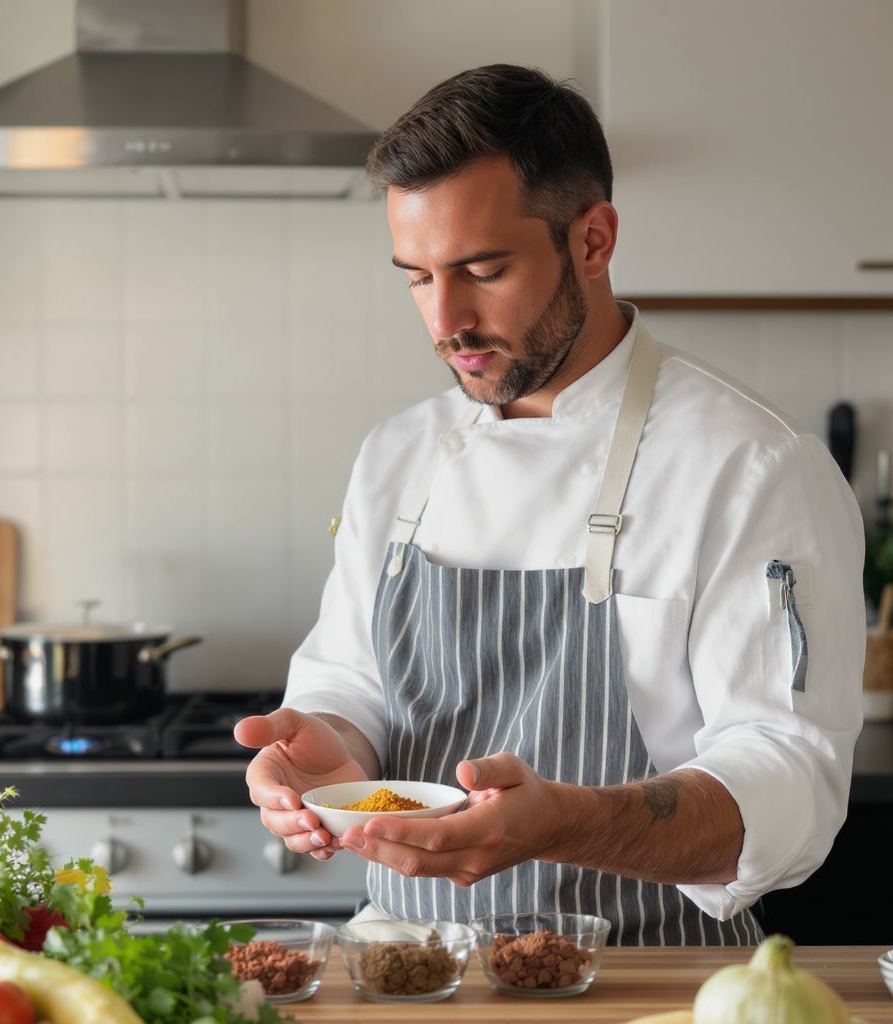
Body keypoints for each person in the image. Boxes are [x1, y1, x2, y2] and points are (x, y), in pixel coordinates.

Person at [234, 64, 865, 945]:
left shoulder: (752, 464)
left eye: (481, 269)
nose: (444, 319)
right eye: (416, 277)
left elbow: (791, 780)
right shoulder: (398, 456)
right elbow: (353, 680)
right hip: (410, 970)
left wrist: (564, 822)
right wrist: (331, 749)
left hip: (651, 980)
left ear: (593, 240)